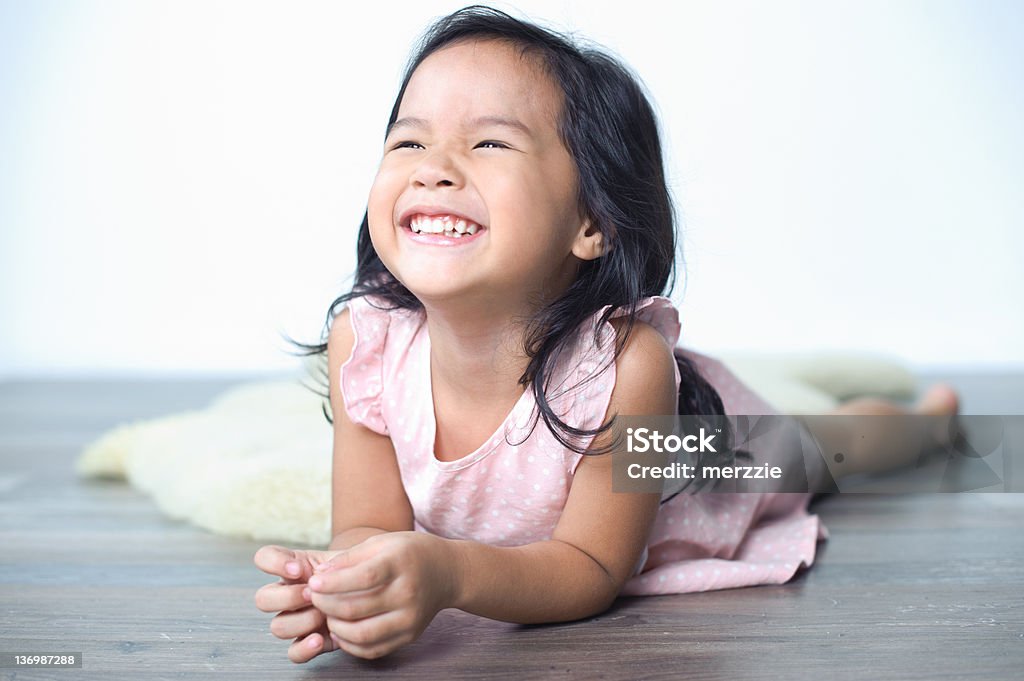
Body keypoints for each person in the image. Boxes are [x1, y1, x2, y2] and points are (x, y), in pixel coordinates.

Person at [253, 5, 959, 663]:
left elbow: (590, 566)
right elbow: (369, 523)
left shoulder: (624, 365)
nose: (433, 168)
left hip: (703, 462)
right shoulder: (368, 343)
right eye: (408, 140)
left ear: (591, 222)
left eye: (490, 140)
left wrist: (448, 569)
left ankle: (927, 426)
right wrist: (345, 582)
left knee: (825, 449)